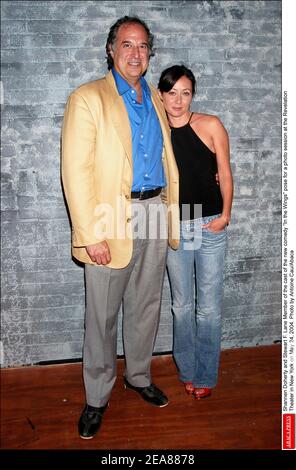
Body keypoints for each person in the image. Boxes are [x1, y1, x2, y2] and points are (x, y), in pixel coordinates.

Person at [62, 17, 179, 439]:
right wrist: (90, 234)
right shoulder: (88, 98)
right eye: (127, 45)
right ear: (111, 50)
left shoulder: (155, 99)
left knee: (146, 305)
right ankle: (96, 397)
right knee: (102, 317)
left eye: (143, 46)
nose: (136, 53)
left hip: (154, 210)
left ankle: (140, 377)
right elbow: (75, 172)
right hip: (110, 219)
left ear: (150, 54)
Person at [158, 65, 233, 400]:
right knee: (181, 305)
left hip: (210, 224)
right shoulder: (154, 130)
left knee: (209, 308)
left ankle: (205, 374)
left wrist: (226, 216)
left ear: (193, 95)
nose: (178, 100)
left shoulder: (211, 124)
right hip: (177, 224)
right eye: (172, 92)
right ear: (161, 94)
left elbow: (225, 173)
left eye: (185, 93)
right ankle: (187, 369)